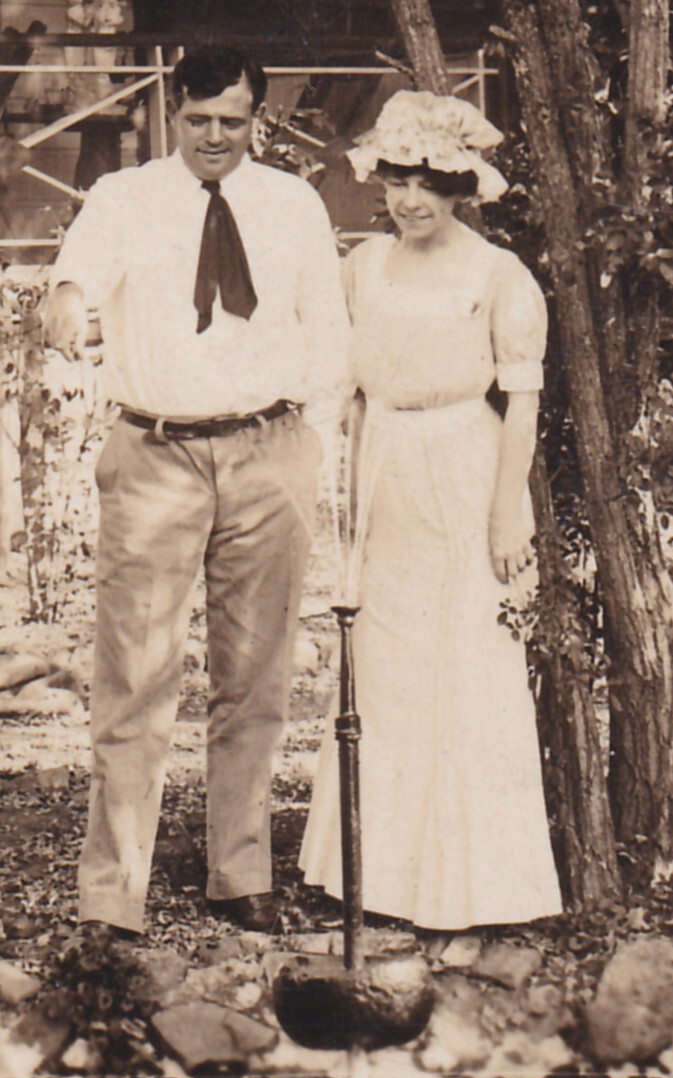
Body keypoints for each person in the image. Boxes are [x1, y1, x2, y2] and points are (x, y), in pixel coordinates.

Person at [44, 44, 350, 937]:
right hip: (157, 454)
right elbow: (76, 277)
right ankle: (113, 893)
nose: (215, 136)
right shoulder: (123, 197)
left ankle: (239, 870)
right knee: (135, 679)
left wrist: (308, 448)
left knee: (253, 679)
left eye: (234, 120)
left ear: (259, 117)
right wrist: (65, 303)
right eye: (199, 119)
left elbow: (326, 332)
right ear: (174, 111)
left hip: (269, 451)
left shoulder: (292, 204)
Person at [300, 90, 563, 933]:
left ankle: (475, 888)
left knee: (463, 665)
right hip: (384, 463)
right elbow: (337, 383)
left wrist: (507, 511)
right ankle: (377, 879)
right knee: (386, 668)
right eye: (397, 180)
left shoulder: (497, 275)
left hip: (462, 462)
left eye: (428, 183)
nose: (409, 199)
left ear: (460, 189)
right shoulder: (361, 266)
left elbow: (519, 403)